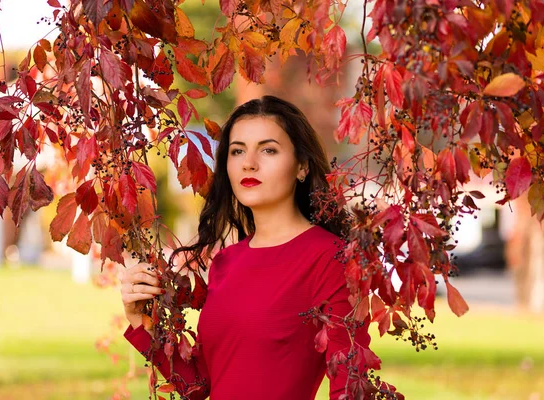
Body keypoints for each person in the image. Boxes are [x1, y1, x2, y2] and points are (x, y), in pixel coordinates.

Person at [120, 95, 370, 400]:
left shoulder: (331, 257)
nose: (249, 163)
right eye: (237, 151)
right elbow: (199, 384)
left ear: (302, 166)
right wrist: (141, 322)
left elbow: (351, 387)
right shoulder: (226, 261)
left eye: (268, 150)